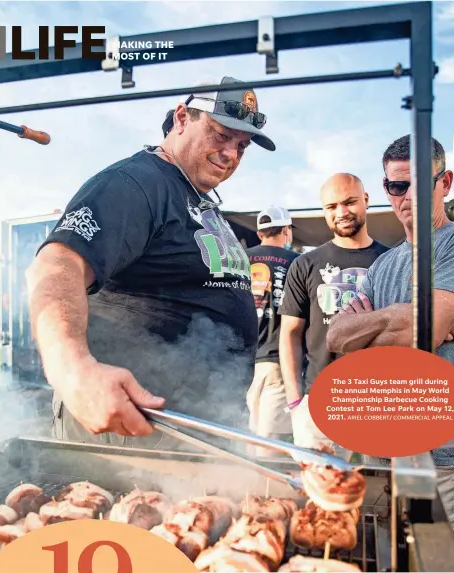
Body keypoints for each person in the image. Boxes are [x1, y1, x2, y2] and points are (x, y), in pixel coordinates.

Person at [25, 76, 276, 448]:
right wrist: (72, 371)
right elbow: (57, 265)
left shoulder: (197, 197)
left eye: (242, 146)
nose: (231, 154)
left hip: (196, 424)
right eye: (221, 135)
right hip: (133, 425)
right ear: (181, 118)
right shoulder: (135, 182)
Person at [326, 135, 454, 536]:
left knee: (436, 561)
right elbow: (337, 338)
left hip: (443, 453)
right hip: (379, 449)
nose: (407, 196)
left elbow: (426, 329)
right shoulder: (383, 265)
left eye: (420, 185)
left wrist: (385, 326)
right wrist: (409, 315)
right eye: (396, 186)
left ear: (446, 183)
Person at [278, 173, 390, 448]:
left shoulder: (391, 261)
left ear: (365, 200)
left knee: (383, 488)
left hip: (380, 403)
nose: (341, 212)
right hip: (319, 402)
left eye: (349, 202)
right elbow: (290, 334)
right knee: (321, 489)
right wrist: (295, 401)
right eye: (331, 207)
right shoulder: (305, 264)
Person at [245, 206, 300, 454]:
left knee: (244, 436)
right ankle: (263, 492)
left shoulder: (240, 259)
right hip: (277, 361)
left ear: (259, 233)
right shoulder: (298, 263)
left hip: (240, 362)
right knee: (269, 443)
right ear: (287, 231)